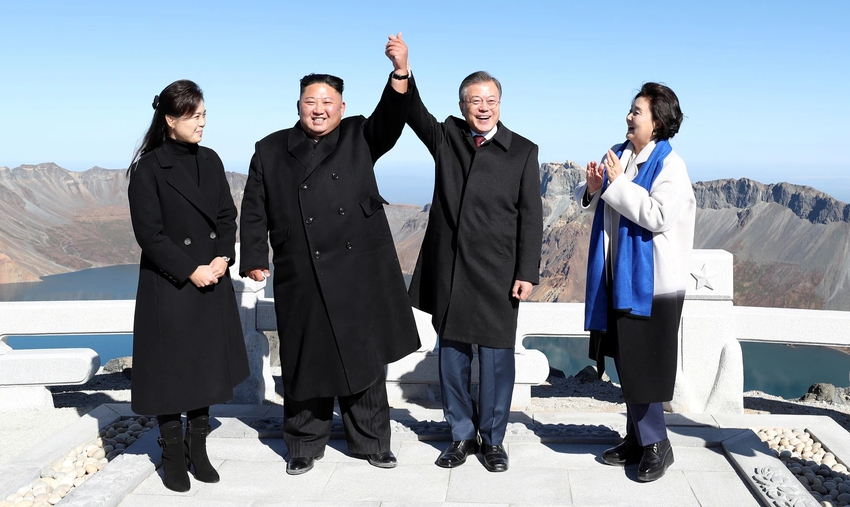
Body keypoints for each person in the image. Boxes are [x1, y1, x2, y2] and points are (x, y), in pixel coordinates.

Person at [239, 35, 420, 475]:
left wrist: (400, 72)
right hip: (301, 268)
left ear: (341, 106)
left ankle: (373, 441)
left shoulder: (360, 134)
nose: (318, 109)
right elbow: (254, 205)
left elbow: (392, 118)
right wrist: (253, 256)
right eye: (309, 101)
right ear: (297, 106)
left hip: (359, 270)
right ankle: (303, 444)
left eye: (327, 101)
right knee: (305, 357)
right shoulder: (270, 148)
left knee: (364, 358)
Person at [405, 54, 542, 472]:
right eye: (475, 100)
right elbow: (413, 111)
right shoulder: (448, 137)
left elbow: (531, 217)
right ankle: (461, 436)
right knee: (452, 356)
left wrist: (527, 272)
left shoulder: (522, 150)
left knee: (498, 361)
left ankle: (494, 441)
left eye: (491, 100)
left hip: (499, 272)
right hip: (452, 269)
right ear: (463, 105)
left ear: (500, 104)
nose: (484, 108)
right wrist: (403, 71)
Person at [127, 80, 250, 492]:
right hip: (170, 284)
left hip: (211, 278)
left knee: (204, 366)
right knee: (169, 371)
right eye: (194, 116)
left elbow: (225, 215)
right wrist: (189, 269)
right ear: (170, 120)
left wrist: (221, 256)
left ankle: (198, 448)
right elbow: (150, 234)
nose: (202, 123)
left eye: (203, 115)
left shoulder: (210, 161)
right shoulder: (148, 168)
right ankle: (172, 449)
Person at [576, 82, 696, 482]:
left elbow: (656, 216)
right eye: (630, 110)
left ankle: (658, 445)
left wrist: (614, 185)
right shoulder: (622, 155)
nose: (629, 117)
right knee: (627, 361)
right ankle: (636, 438)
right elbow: (607, 201)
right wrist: (594, 189)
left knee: (644, 364)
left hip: (652, 285)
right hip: (619, 277)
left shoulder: (670, 165)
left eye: (637, 112)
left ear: (658, 122)